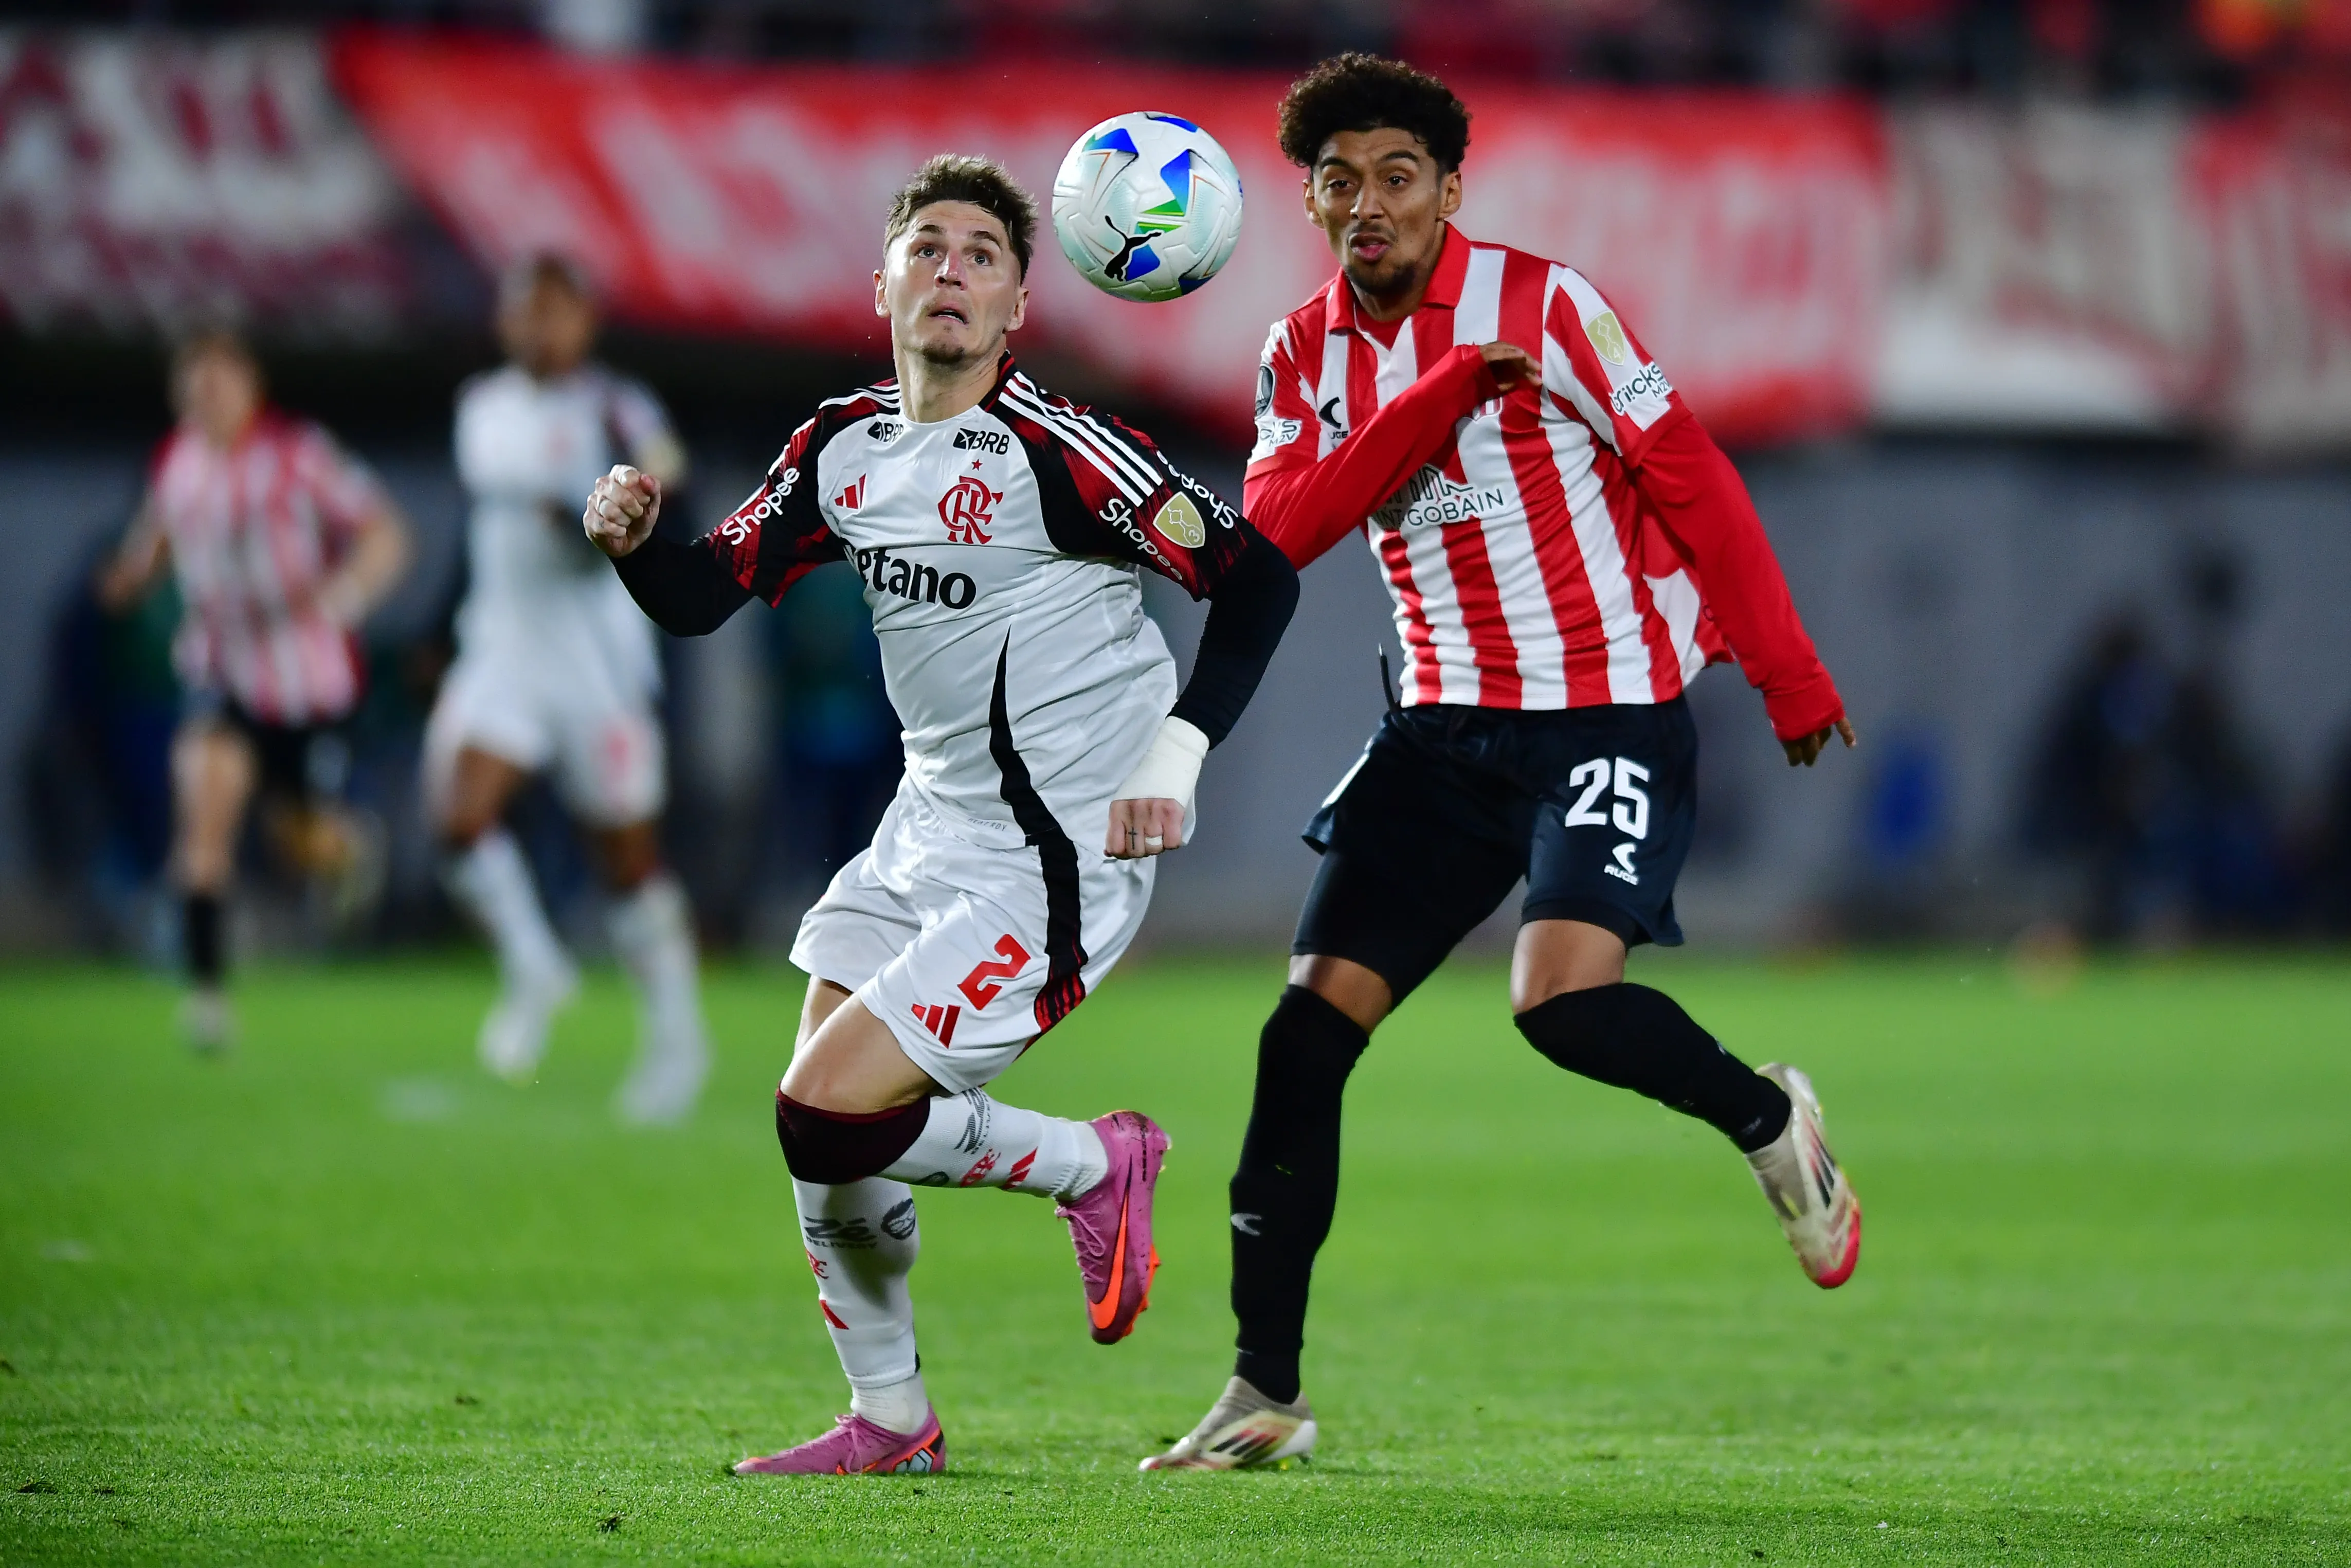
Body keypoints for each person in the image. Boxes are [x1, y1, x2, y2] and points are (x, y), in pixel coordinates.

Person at [1143, 55, 1862, 1472]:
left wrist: (1784, 667)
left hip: (1604, 713)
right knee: (1300, 1042)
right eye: (1337, 182)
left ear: (1448, 191)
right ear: (1310, 202)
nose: (1367, 206)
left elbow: (1690, 475)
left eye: (1396, 177)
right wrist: (1445, 398)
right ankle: (1260, 1390)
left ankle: (1768, 1117)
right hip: (1435, 736)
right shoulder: (1303, 354)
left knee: (1559, 1007)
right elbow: (1281, 533)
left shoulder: (1549, 304)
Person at [583, 155, 1297, 1476]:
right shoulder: (840, 446)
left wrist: (1181, 750)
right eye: (929, 248)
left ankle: (1096, 1163)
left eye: (981, 253)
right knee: (825, 1142)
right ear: (886, 285)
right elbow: (701, 597)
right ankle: (893, 1420)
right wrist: (636, 547)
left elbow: (1256, 584)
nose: (952, 269)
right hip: (928, 827)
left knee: (824, 1109)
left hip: (1057, 854)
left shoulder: (1060, 451)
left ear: (1020, 302)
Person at [427, 255, 710, 1124]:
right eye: (524, 312)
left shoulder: (617, 407)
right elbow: (484, 528)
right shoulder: (482, 409)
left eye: (555, 312)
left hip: (595, 663)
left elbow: (673, 486)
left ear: (584, 322)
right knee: (459, 820)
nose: (537, 328)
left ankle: (676, 1038)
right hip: (504, 652)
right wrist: (439, 629)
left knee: (626, 864)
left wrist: (620, 503)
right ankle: (535, 967)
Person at [97, 329, 411, 1051]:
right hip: (218, 666)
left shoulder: (298, 454)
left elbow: (384, 531)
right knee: (204, 823)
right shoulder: (176, 460)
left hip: (303, 677)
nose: (206, 394)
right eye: (193, 381)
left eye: (219, 379)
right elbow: (160, 535)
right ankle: (207, 998)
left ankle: (345, 850)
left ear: (250, 384)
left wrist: (347, 594)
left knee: (296, 837)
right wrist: (130, 576)